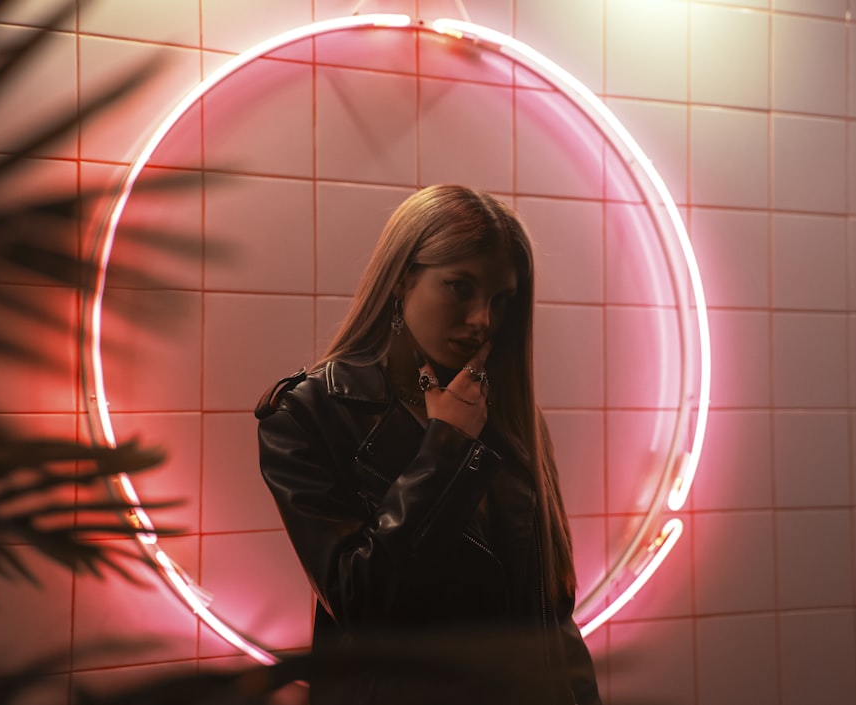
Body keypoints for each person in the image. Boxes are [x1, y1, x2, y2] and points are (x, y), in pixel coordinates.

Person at [255, 185, 602, 705]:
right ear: (401, 279)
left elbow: (552, 618)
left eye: (500, 301)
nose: (483, 319)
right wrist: (445, 447)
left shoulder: (505, 412)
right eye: (460, 288)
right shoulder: (309, 413)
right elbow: (363, 605)